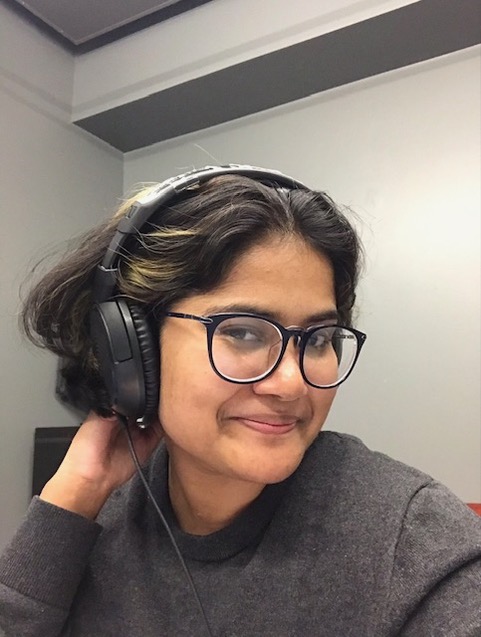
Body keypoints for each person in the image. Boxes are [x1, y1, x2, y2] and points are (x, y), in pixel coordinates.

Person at [0, 165, 480, 637]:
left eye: (318, 338)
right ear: (131, 350)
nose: (292, 385)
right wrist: (72, 500)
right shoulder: (96, 512)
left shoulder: (416, 540)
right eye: (244, 332)